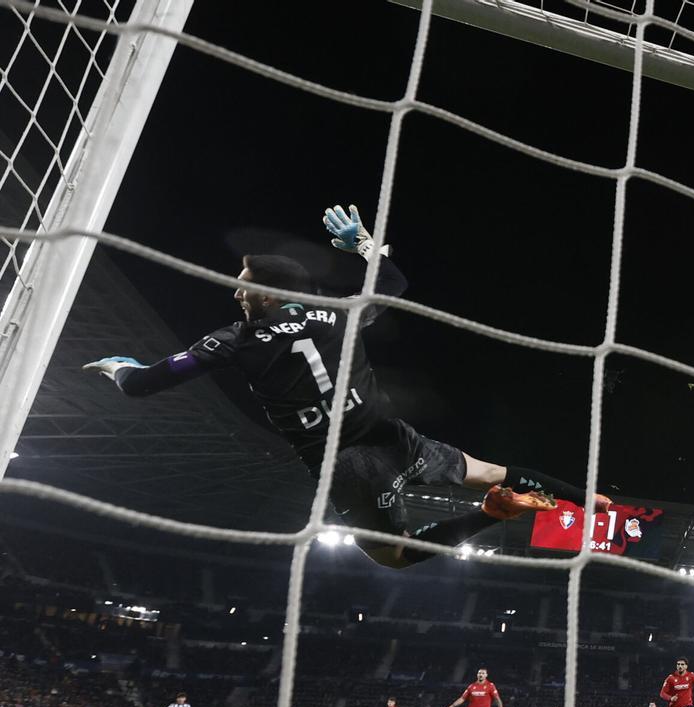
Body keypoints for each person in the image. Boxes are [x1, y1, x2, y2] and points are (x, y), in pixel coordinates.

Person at [83, 205, 610, 569]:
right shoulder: (336, 316)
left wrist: (117, 366)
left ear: (266, 295)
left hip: (348, 465)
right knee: (492, 469)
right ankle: (588, 499)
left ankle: (491, 515)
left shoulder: (233, 341)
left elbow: (143, 385)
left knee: (393, 556)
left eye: (244, 281)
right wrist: (362, 243)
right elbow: (393, 282)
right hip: (392, 437)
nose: (237, 288)